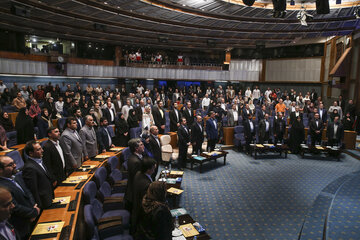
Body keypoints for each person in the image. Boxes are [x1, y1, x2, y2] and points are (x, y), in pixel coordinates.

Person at [0, 156, 39, 239]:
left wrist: (33, 207)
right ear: (1, 170)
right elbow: (14, 207)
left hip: (32, 216)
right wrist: (33, 212)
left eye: (14, 163)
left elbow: (28, 192)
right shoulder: (2, 187)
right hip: (20, 225)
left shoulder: (16, 177)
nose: (15, 165)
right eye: (10, 165)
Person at [22, 140, 55, 209]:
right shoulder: (29, 168)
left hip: (48, 198)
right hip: (43, 203)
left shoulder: (40, 161)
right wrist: (39, 206)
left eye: (41, 148)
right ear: (31, 153)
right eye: (38, 149)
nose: (42, 150)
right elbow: (33, 189)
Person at [131, 157, 156, 234]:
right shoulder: (146, 184)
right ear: (148, 170)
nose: (154, 170)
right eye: (153, 168)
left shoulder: (139, 173)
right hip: (142, 214)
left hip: (135, 206)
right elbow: (148, 202)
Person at [124, 138, 145, 212]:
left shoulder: (137, 156)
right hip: (135, 193)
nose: (143, 146)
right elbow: (138, 180)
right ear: (136, 148)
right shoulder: (135, 162)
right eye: (141, 145)